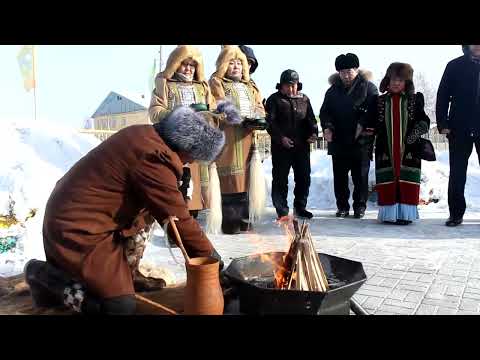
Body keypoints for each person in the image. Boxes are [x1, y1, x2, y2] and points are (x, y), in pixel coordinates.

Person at [24, 104, 241, 315]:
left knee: (150, 212)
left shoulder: (148, 135)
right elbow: (178, 220)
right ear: (187, 145)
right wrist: (214, 260)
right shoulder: (153, 158)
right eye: (194, 156)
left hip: (97, 218)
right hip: (76, 228)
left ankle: (128, 274)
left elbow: (164, 210)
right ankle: (45, 277)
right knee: (118, 307)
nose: (192, 162)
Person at [149, 45, 216, 218]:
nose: (188, 69)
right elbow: (155, 112)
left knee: (194, 190)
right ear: (176, 64)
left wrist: (209, 116)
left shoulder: (202, 87)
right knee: (177, 185)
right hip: (173, 142)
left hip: (196, 144)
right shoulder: (165, 84)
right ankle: (174, 224)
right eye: (184, 64)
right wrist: (177, 114)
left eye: (192, 65)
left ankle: (190, 221)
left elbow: (213, 110)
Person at [209, 45, 266, 234]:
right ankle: (230, 220)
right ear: (224, 65)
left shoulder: (251, 85)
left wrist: (257, 118)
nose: (236, 67)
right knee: (231, 180)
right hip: (229, 138)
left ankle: (245, 218)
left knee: (248, 179)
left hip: (248, 137)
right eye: (231, 63)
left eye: (239, 64)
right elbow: (217, 104)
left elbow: (259, 105)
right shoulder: (217, 82)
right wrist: (235, 116)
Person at [365, 63, 430, 225]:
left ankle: (405, 215)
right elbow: (370, 124)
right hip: (385, 149)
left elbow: (424, 121)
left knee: (407, 180)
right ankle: (389, 215)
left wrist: (415, 133)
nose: (396, 83)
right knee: (387, 180)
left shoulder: (415, 100)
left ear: (406, 82)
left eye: (400, 80)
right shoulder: (378, 101)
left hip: (409, 149)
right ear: (388, 80)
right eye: (393, 79)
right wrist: (367, 139)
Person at [319, 53, 378, 219]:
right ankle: (342, 206)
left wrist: (362, 123)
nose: (346, 75)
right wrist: (327, 127)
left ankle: (360, 207)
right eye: (342, 71)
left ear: (357, 70)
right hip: (338, 141)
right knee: (340, 177)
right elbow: (325, 112)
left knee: (360, 177)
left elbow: (374, 109)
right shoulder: (332, 91)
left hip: (361, 140)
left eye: (349, 71)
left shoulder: (369, 87)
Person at [265, 69, 318, 220]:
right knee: (280, 178)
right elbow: (270, 123)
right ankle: (281, 210)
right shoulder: (274, 100)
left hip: (302, 147)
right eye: (288, 85)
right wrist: (281, 138)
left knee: (303, 178)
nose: (291, 89)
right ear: (281, 86)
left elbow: (311, 120)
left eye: (294, 85)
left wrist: (313, 133)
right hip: (281, 147)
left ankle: (300, 207)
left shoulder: (304, 99)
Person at [436, 45, 480, 227]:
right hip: (459, 126)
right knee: (457, 172)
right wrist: (443, 123)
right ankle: (455, 213)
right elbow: (443, 95)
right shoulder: (454, 66)